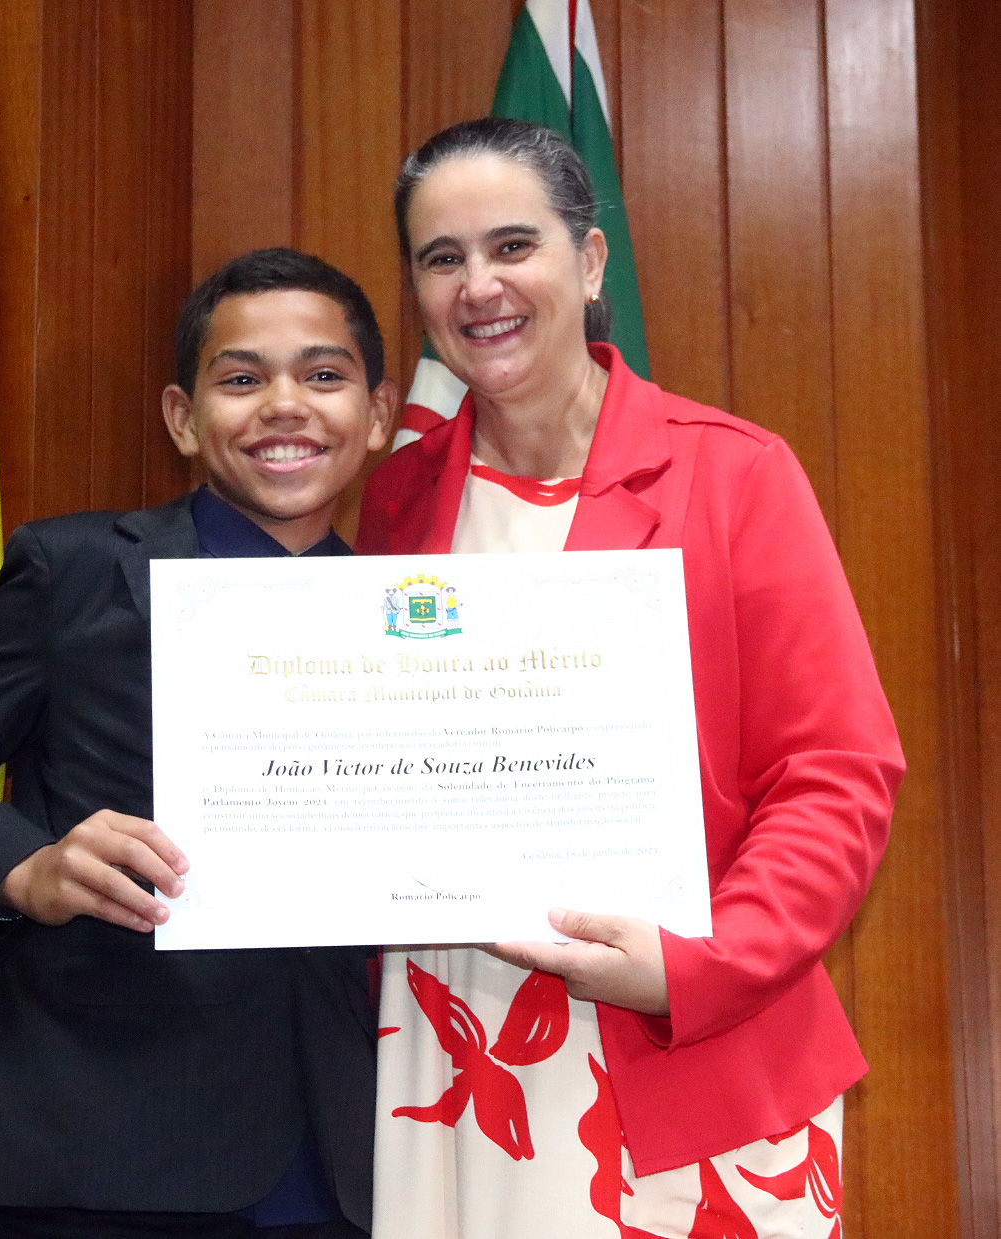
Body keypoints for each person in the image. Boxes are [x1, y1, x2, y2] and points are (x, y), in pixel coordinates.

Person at [355, 117, 902, 1239]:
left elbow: (837, 775)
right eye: (442, 258)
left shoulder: (733, 472)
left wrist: (696, 964)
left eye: (514, 245)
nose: (479, 286)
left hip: (689, 1044)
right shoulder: (397, 499)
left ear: (591, 260)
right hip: (450, 1038)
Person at [0, 247, 398, 1239]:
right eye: (242, 379)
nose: (285, 405)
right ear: (183, 417)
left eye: (323, 375)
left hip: (338, 1153)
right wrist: (28, 871)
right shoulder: (76, 570)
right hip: (100, 1146)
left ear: (378, 413)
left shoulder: (413, 618)